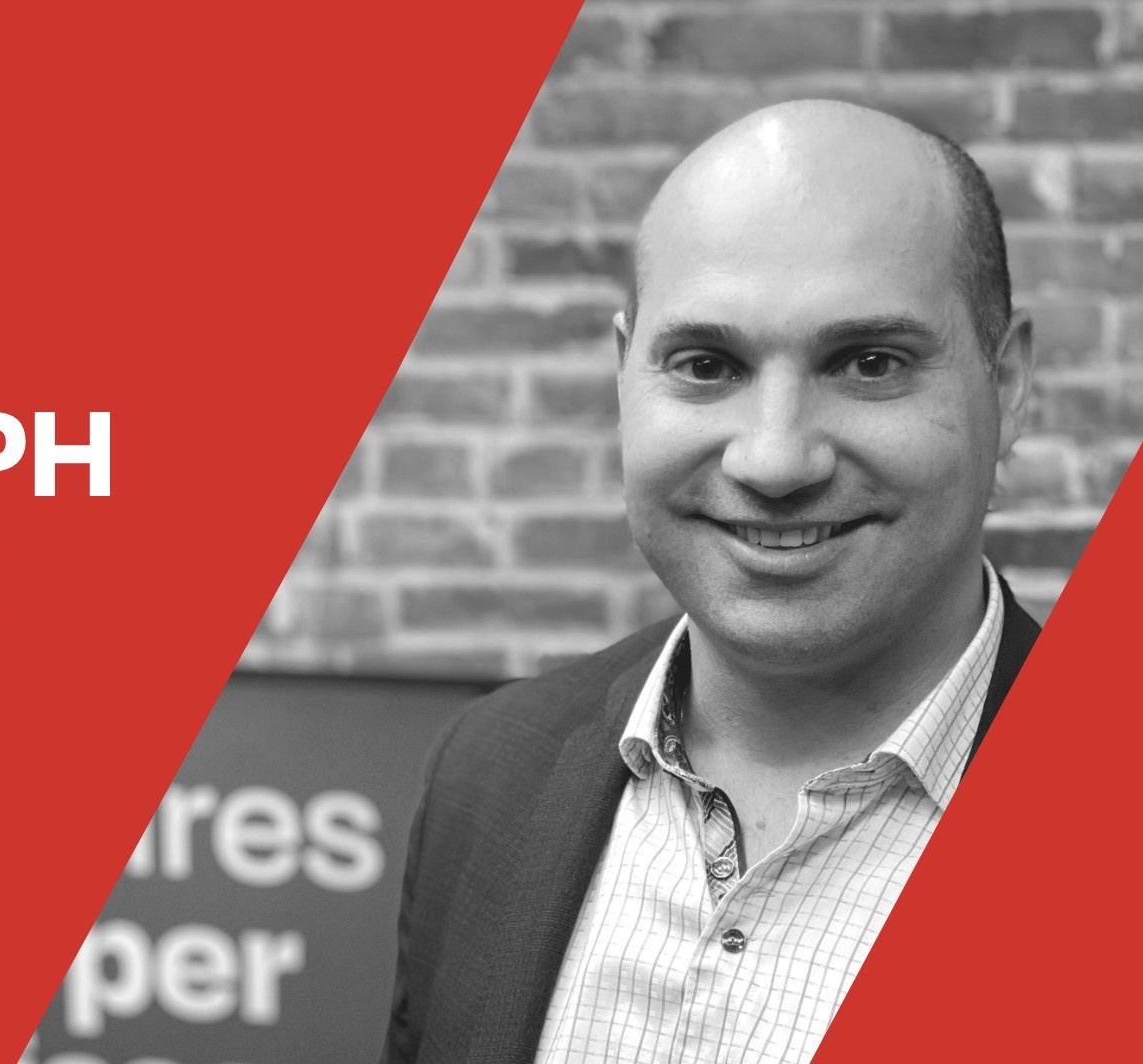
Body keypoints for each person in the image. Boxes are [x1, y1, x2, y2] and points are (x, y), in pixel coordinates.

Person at [383, 100, 1040, 1064]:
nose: (774, 460)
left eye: (869, 363)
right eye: (706, 365)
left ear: (1007, 385)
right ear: (624, 379)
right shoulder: (490, 773)